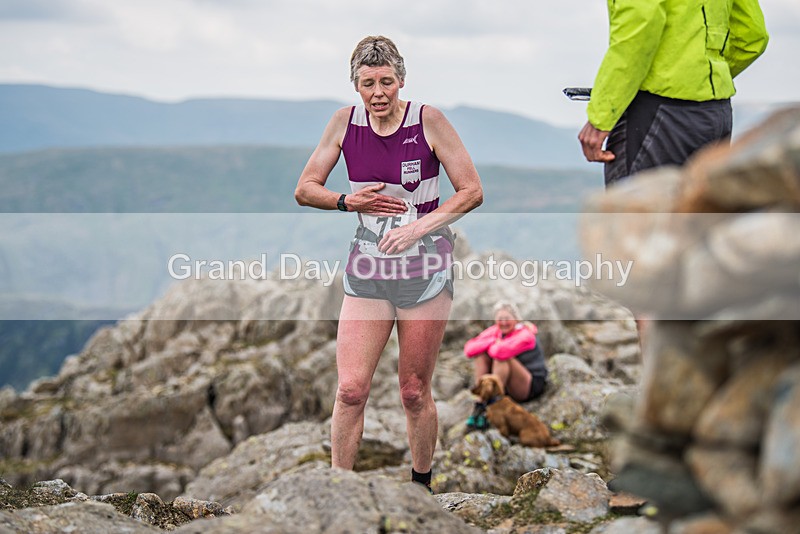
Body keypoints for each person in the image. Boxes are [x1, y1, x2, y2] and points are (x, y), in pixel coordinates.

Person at [295, 36, 483, 493]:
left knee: (413, 391)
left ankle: (421, 487)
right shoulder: (344, 123)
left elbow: (471, 190)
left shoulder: (429, 121)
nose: (378, 92)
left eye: (386, 82)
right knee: (351, 389)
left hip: (426, 266)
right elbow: (305, 188)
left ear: (401, 80)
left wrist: (418, 228)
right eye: (367, 83)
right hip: (370, 266)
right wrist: (345, 201)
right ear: (355, 86)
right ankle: (342, 490)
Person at [578, 0, 769, 186]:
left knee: (636, 215)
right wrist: (699, 79)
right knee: (701, 216)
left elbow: (640, 28)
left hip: (655, 115)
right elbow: (752, 36)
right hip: (715, 114)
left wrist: (602, 116)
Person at [463, 302, 548, 430]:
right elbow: (469, 349)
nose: (503, 322)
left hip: (529, 385)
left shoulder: (526, 334)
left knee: (501, 358)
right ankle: (481, 402)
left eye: (507, 318)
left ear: (516, 318)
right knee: (480, 355)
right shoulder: (495, 331)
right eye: (500, 319)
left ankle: (491, 403)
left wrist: (495, 344)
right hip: (507, 383)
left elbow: (498, 352)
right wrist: (493, 341)